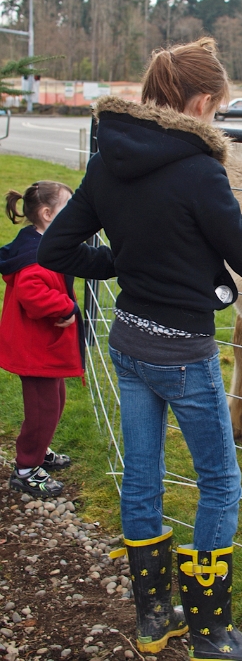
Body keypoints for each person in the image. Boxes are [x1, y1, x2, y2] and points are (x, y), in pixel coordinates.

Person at [38, 37, 242, 659]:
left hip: (130, 343)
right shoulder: (199, 169)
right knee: (221, 485)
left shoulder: (107, 158)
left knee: (143, 481)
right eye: (217, 108)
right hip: (185, 355)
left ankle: (153, 621)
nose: (215, 118)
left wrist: (117, 260)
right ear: (198, 103)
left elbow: (55, 250)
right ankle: (211, 634)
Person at [0, 181, 83, 499]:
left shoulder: (40, 243)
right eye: (68, 207)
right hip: (34, 350)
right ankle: (26, 469)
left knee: (55, 401)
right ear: (48, 214)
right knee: (42, 409)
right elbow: (31, 294)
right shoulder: (35, 257)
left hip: (42, 348)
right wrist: (66, 306)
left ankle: (39, 450)